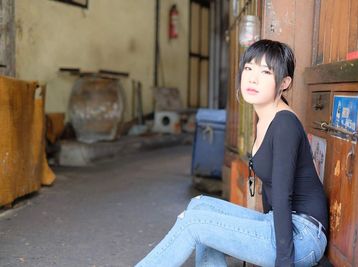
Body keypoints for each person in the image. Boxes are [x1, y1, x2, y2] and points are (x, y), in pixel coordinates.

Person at [135, 39, 328, 267]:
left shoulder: (284, 124)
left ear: (284, 82)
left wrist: (282, 261)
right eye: (248, 68)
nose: (252, 78)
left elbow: (282, 195)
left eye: (266, 72)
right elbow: (271, 191)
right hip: (280, 225)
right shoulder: (264, 118)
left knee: (193, 223)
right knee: (199, 205)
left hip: (303, 238)